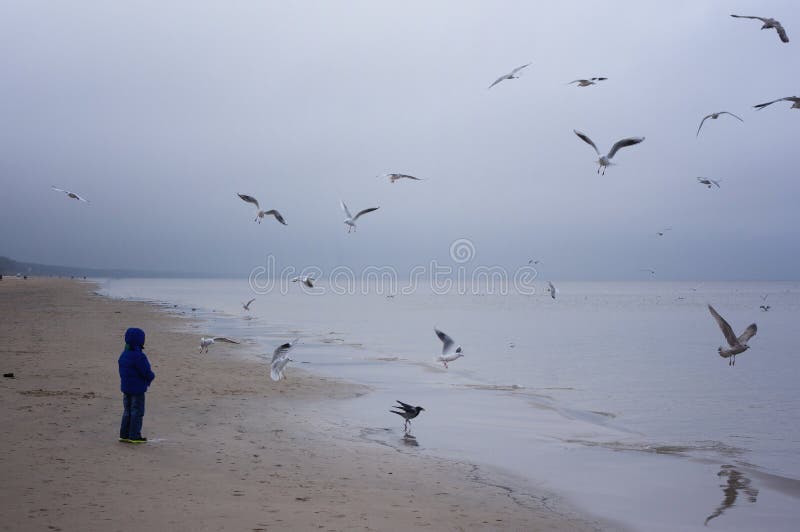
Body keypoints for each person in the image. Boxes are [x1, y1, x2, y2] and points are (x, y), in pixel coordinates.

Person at [118, 327, 155, 443]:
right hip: (137, 389)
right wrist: (151, 376)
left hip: (126, 388)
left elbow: (122, 369)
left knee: (127, 411)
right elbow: (146, 371)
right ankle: (134, 435)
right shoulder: (139, 356)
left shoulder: (124, 354)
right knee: (137, 412)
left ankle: (124, 435)